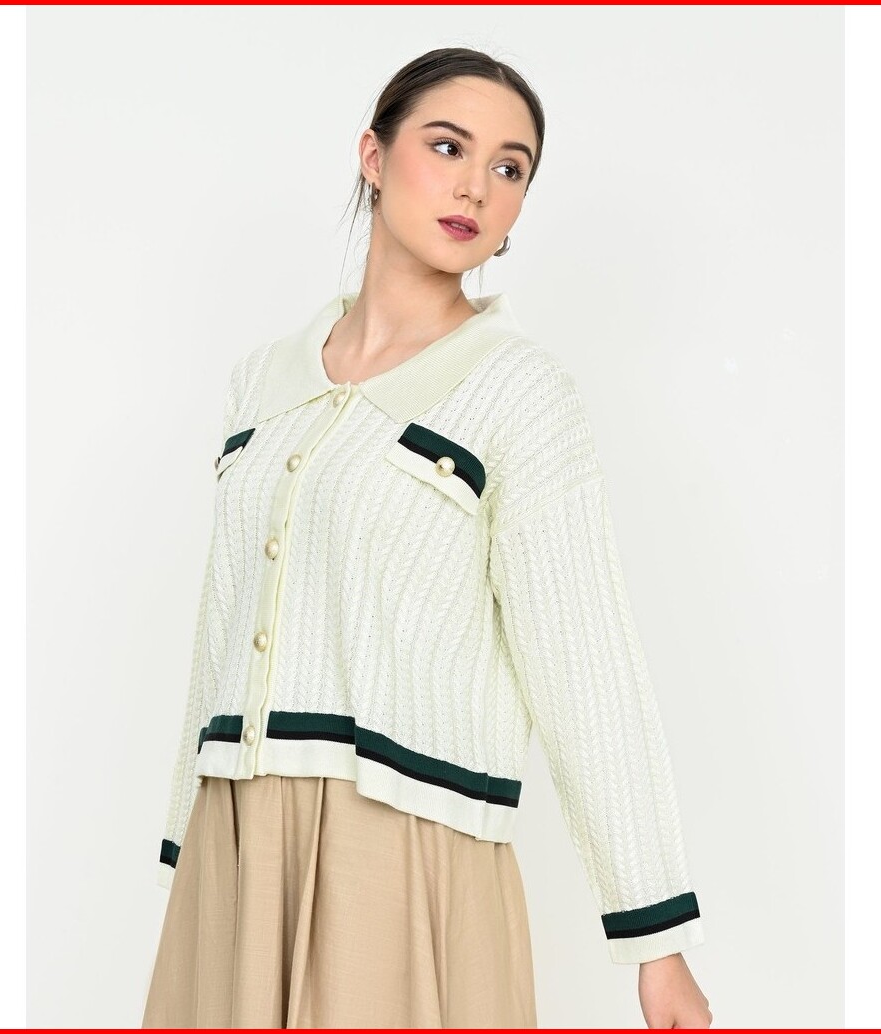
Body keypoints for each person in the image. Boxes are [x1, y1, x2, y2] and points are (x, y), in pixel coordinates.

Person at [141, 46, 712, 1029]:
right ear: (373, 156)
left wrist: (654, 938)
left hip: (403, 849)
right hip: (236, 845)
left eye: (508, 167)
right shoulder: (262, 382)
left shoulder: (519, 393)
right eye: (447, 147)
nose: (475, 186)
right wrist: (187, 850)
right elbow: (219, 623)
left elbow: (585, 664)